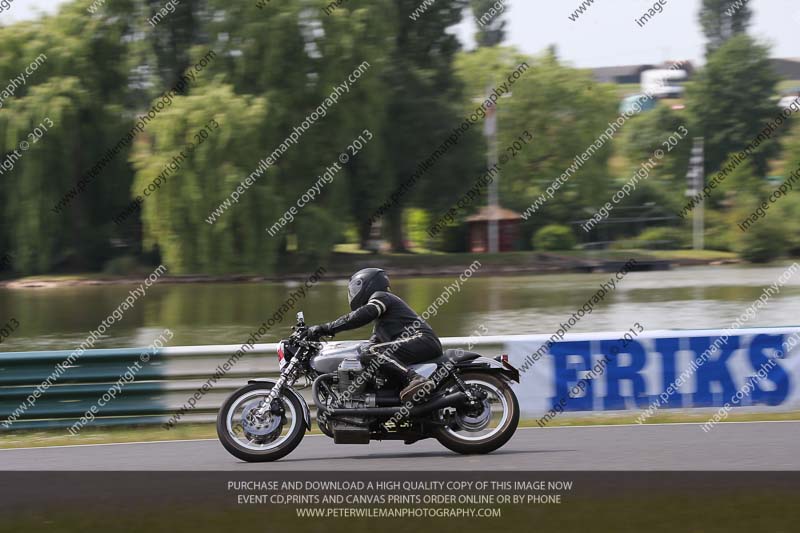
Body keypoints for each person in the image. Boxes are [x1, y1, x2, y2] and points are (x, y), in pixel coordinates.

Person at [304, 268, 442, 402]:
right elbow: (371, 345)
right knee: (368, 352)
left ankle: (415, 378)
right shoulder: (381, 324)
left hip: (422, 339)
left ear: (367, 283)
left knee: (369, 351)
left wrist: (325, 328)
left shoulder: (382, 297)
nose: (353, 293)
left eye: (355, 288)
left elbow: (364, 314)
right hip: (419, 343)